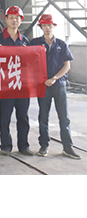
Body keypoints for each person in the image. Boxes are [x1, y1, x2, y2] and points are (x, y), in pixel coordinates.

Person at [29, 14, 80, 159]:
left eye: (49, 25)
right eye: (44, 25)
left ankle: (68, 147)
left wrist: (54, 78)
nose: (47, 28)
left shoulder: (61, 44)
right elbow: (26, 59)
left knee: (64, 117)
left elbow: (67, 66)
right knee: (43, 117)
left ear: (53, 26)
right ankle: (44, 146)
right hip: (43, 86)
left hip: (59, 86)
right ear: (41, 27)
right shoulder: (35, 43)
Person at [0, 6, 33, 156]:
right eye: (11, 17)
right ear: (6, 19)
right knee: (5, 117)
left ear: (21, 21)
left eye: (17, 18)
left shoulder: (25, 41)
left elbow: (30, 63)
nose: (14, 20)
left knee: (23, 117)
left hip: (22, 86)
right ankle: (5, 146)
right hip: (5, 85)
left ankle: (23, 146)